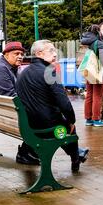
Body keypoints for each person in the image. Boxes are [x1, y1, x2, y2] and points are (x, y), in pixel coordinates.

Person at [16, 40, 89, 173]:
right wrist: (71, 121)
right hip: (47, 126)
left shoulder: (23, 73)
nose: (55, 54)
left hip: (28, 124)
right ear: (39, 53)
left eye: (54, 50)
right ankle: (76, 159)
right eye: (50, 51)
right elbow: (64, 103)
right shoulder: (49, 72)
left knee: (62, 125)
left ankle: (77, 153)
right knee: (68, 129)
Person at [0, 41, 40, 165]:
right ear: (6, 54)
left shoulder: (11, 68)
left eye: (21, 53)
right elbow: (10, 95)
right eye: (16, 53)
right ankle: (26, 153)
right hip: (2, 114)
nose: (20, 56)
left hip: (2, 112)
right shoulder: (1, 69)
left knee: (41, 115)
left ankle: (27, 153)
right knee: (42, 119)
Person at [81, 25, 103, 127]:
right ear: (98, 31)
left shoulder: (85, 42)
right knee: (98, 96)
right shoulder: (98, 43)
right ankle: (96, 119)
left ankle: (88, 119)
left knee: (89, 95)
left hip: (88, 71)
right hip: (97, 72)